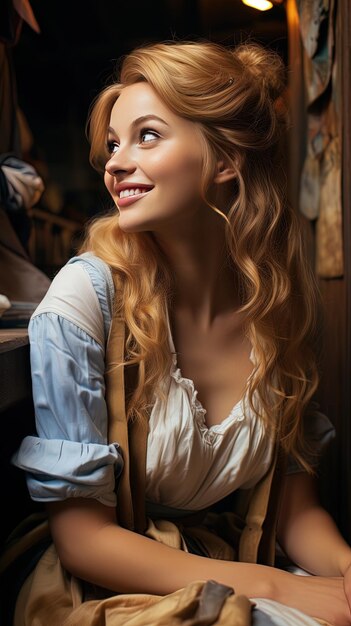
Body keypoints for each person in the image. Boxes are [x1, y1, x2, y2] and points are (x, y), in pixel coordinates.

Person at [10, 40, 351, 626]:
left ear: (224, 161)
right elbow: (84, 541)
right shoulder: (84, 301)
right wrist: (281, 588)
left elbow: (295, 512)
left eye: (146, 135)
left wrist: (346, 569)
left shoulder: (277, 306)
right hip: (108, 583)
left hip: (226, 558)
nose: (114, 163)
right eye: (114, 144)